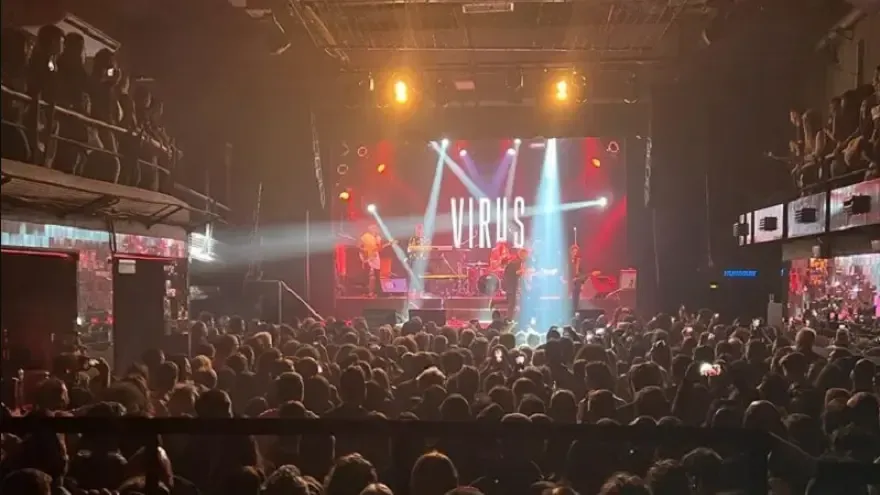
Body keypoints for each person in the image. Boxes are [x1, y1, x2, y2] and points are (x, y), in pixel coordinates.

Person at [359, 224, 384, 297]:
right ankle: (367, 292)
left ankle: (378, 292)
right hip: (367, 256)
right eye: (372, 228)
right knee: (366, 274)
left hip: (375, 256)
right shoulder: (365, 236)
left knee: (377, 274)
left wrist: (378, 247)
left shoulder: (378, 237)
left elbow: (380, 249)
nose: (374, 230)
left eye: (375, 229)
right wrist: (364, 252)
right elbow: (360, 246)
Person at [502, 248, 528, 319]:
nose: (527, 257)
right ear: (522, 255)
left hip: (512, 286)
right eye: (526, 255)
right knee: (512, 304)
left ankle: (514, 319)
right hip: (511, 286)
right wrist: (523, 271)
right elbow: (513, 273)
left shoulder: (517, 262)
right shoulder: (516, 262)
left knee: (513, 304)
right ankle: (509, 319)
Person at [569, 243, 584, 315]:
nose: (575, 253)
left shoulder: (579, 261)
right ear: (571, 252)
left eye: (576, 251)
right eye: (574, 251)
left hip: (577, 283)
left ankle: (576, 311)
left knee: (576, 298)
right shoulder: (568, 261)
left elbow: (581, 272)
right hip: (569, 282)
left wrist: (579, 279)